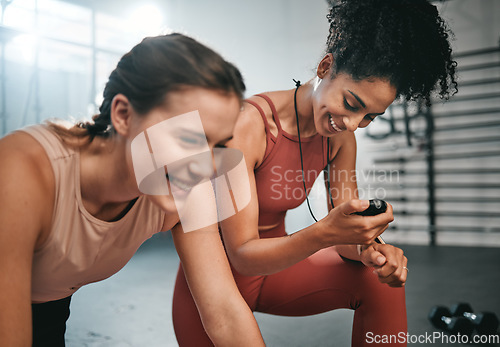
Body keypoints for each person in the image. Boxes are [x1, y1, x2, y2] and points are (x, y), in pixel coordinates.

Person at [172, 0, 458, 346]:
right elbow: (242, 255)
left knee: (376, 281)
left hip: (273, 273)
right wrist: (325, 232)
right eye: (352, 103)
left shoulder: (340, 139)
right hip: (214, 286)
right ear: (326, 66)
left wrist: (372, 249)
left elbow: (345, 238)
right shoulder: (248, 125)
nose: (353, 124)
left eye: (370, 116)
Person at [0, 33, 266, 346]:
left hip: (48, 309)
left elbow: (224, 313)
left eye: (218, 144)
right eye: (188, 138)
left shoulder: (186, 187)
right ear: (123, 115)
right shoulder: (24, 172)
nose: (205, 166)